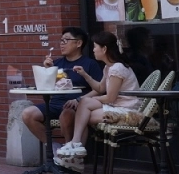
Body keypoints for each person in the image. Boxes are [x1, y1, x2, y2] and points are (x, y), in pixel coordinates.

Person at [57, 31, 142, 162]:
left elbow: (110, 98)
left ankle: (75, 148)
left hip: (127, 109)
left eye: (95, 47)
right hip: (117, 106)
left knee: (83, 112)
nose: (93, 50)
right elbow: (101, 88)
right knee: (83, 112)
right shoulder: (109, 68)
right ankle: (76, 148)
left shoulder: (117, 68)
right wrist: (85, 75)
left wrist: (88, 99)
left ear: (104, 49)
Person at [21, 27, 102, 150]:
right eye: (61, 40)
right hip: (54, 104)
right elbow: (45, 87)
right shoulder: (57, 63)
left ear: (78, 43)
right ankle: (53, 148)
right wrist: (47, 70)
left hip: (75, 106)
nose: (62, 44)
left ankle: (69, 152)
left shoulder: (90, 64)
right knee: (28, 114)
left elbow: (99, 89)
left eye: (66, 40)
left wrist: (80, 99)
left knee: (66, 115)